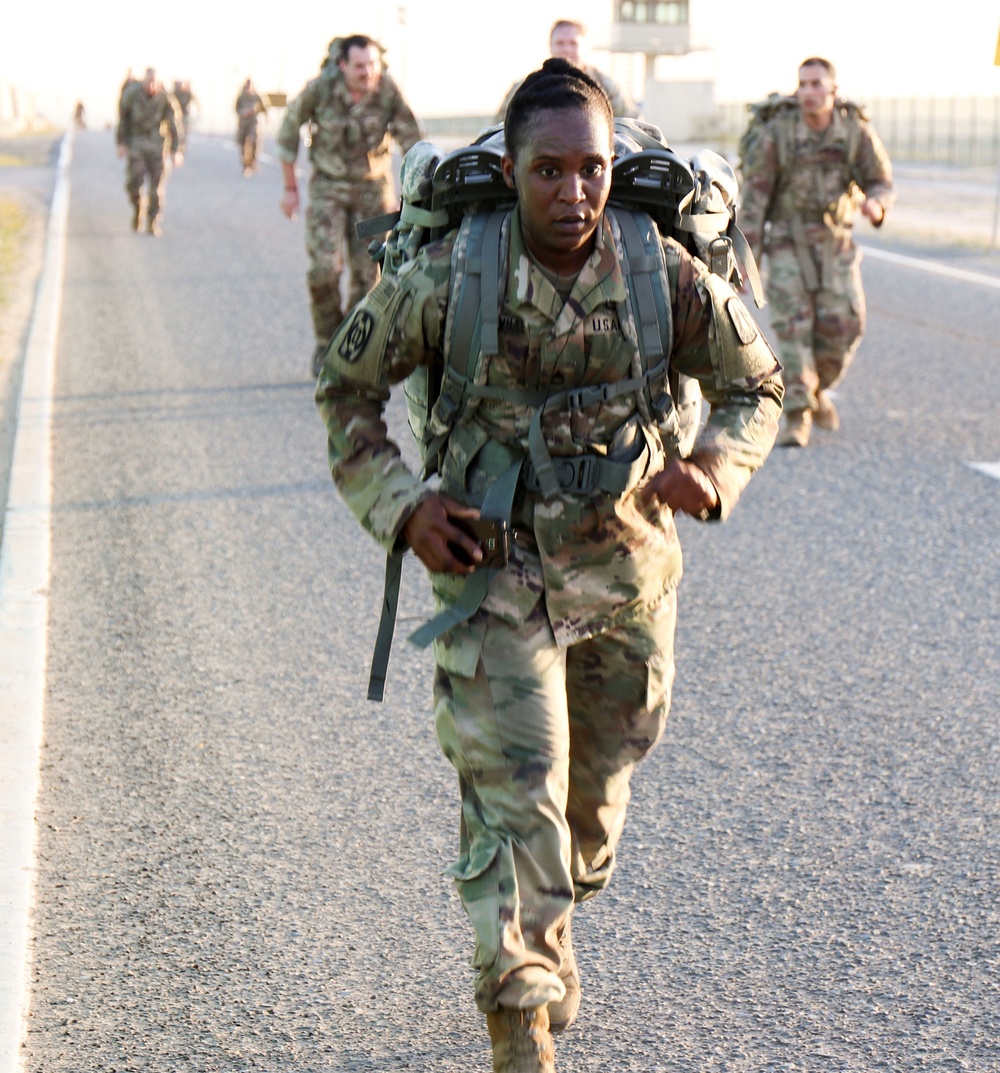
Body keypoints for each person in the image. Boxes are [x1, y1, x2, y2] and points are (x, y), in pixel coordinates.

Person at [315, 58, 782, 1072]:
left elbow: (758, 387)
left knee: (591, 805)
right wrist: (402, 508)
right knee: (514, 788)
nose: (573, 193)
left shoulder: (661, 269)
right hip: (494, 566)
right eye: (548, 171)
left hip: (625, 574)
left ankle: (553, 914)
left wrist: (714, 464)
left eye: (593, 169)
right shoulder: (450, 275)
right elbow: (344, 390)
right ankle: (517, 1012)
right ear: (513, 166)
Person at [738, 56, 894, 447]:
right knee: (793, 331)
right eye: (803, 84)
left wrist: (876, 205)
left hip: (835, 245)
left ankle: (816, 388)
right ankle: (796, 415)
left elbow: (880, 180)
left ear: (832, 90)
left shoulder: (854, 132)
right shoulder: (778, 133)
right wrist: (744, 261)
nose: (808, 92)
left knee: (845, 328)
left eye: (816, 84)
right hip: (788, 244)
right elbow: (755, 200)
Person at [276, 33, 421, 377]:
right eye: (359, 66)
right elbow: (287, 130)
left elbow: (412, 140)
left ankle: (353, 346)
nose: (367, 72)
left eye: (372, 65)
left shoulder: (387, 90)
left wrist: (417, 192)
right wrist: (289, 188)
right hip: (328, 188)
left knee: (369, 276)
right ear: (342, 65)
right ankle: (327, 342)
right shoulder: (320, 90)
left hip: (373, 191)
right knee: (323, 270)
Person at [495, 19, 638, 122]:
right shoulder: (524, 88)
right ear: (550, 47)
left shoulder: (607, 87)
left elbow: (632, 128)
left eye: (573, 43)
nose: (567, 49)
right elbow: (497, 130)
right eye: (560, 43)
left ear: (585, 47)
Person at [116, 67, 183, 237]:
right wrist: (122, 143)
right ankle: (139, 209)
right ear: (143, 81)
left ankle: (153, 222)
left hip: (158, 146)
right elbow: (123, 120)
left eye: (155, 82)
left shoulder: (166, 99)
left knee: (157, 188)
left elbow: (175, 126)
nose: (151, 86)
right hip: (136, 144)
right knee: (133, 183)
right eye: (148, 82)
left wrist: (176, 151)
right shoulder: (131, 94)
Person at [235, 78, 267, 176]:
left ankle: (251, 163)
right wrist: (243, 112)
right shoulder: (241, 97)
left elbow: (263, 108)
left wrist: (258, 113)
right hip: (243, 123)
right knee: (242, 143)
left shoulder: (257, 97)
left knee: (252, 142)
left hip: (253, 123)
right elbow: (236, 108)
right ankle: (246, 164)